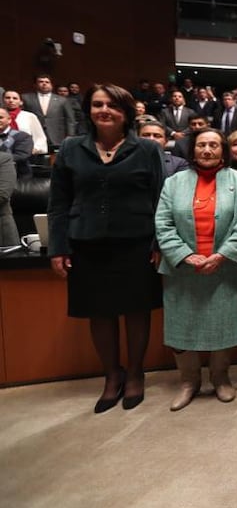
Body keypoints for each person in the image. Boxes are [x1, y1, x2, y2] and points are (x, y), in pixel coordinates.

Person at [48, 84, 164, 412]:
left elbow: (160, 199)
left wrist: (158, 242)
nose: (104, 110)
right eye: (97, 104)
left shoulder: (146, 149)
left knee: (136, 310)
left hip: (136, 243)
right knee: (99, 312)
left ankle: (135, 374)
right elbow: (59, 202)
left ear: (126, 112)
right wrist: (58, 247)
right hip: (86, 243)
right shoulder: (71, 149)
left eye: (112, 105)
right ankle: (112, 375)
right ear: (88, 110)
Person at [155, 128, 237, 410]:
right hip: (184, 271)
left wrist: (221, 255)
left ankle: (221, 378)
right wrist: (186, 256)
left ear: (223, 149)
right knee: (182, 327)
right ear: (193, 149)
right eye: (201, 145)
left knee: (224, 325)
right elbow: (163, 224)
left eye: (213, 145)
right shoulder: (173, 183)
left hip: (224, 268)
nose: (207, 150)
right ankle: (189, 381)